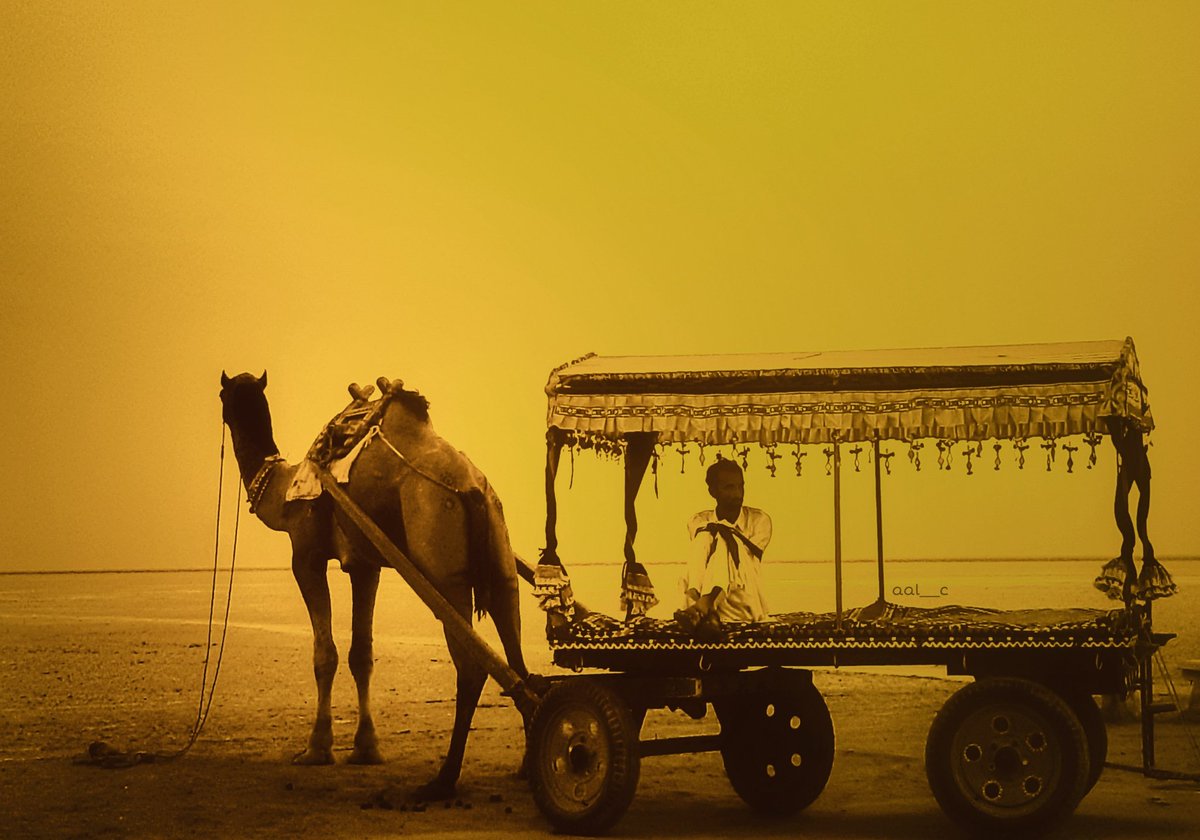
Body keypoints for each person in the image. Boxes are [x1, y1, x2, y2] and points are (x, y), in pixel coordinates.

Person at [676, 457, 771, 636]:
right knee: (706, 536)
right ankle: (706, 606)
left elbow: (740, 557)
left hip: (743, 602)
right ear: (713, 491)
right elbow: (699, 561)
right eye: (729, 487)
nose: (738, 494)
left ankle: (704, 606)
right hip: (701, 598)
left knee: (725, 539)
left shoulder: (759, 520)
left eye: (740, 486)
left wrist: (723, 531)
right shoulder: (698, 521)